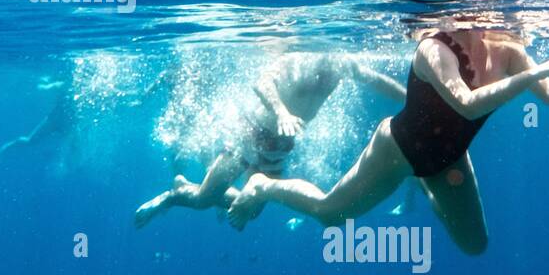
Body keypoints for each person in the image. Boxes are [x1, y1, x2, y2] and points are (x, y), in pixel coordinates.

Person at [225, 23, 549, 254]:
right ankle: (264, 186)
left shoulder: (510, 52)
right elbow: (467, 104)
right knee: (332, 214)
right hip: (397, 149)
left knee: (475, 246)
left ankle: (429, 186)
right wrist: (536, 74)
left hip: (448, 157)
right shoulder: (434, 48)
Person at [134, 51, 405, 227]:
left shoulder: (342, 64)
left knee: (252, 211)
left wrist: (411, 99)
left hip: (280, 145)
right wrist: (281, 113)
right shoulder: (296, 58)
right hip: (248, 135)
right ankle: (175, 194)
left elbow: (377, 81)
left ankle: (206, 189)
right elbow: (262, 83)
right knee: (204, 199)